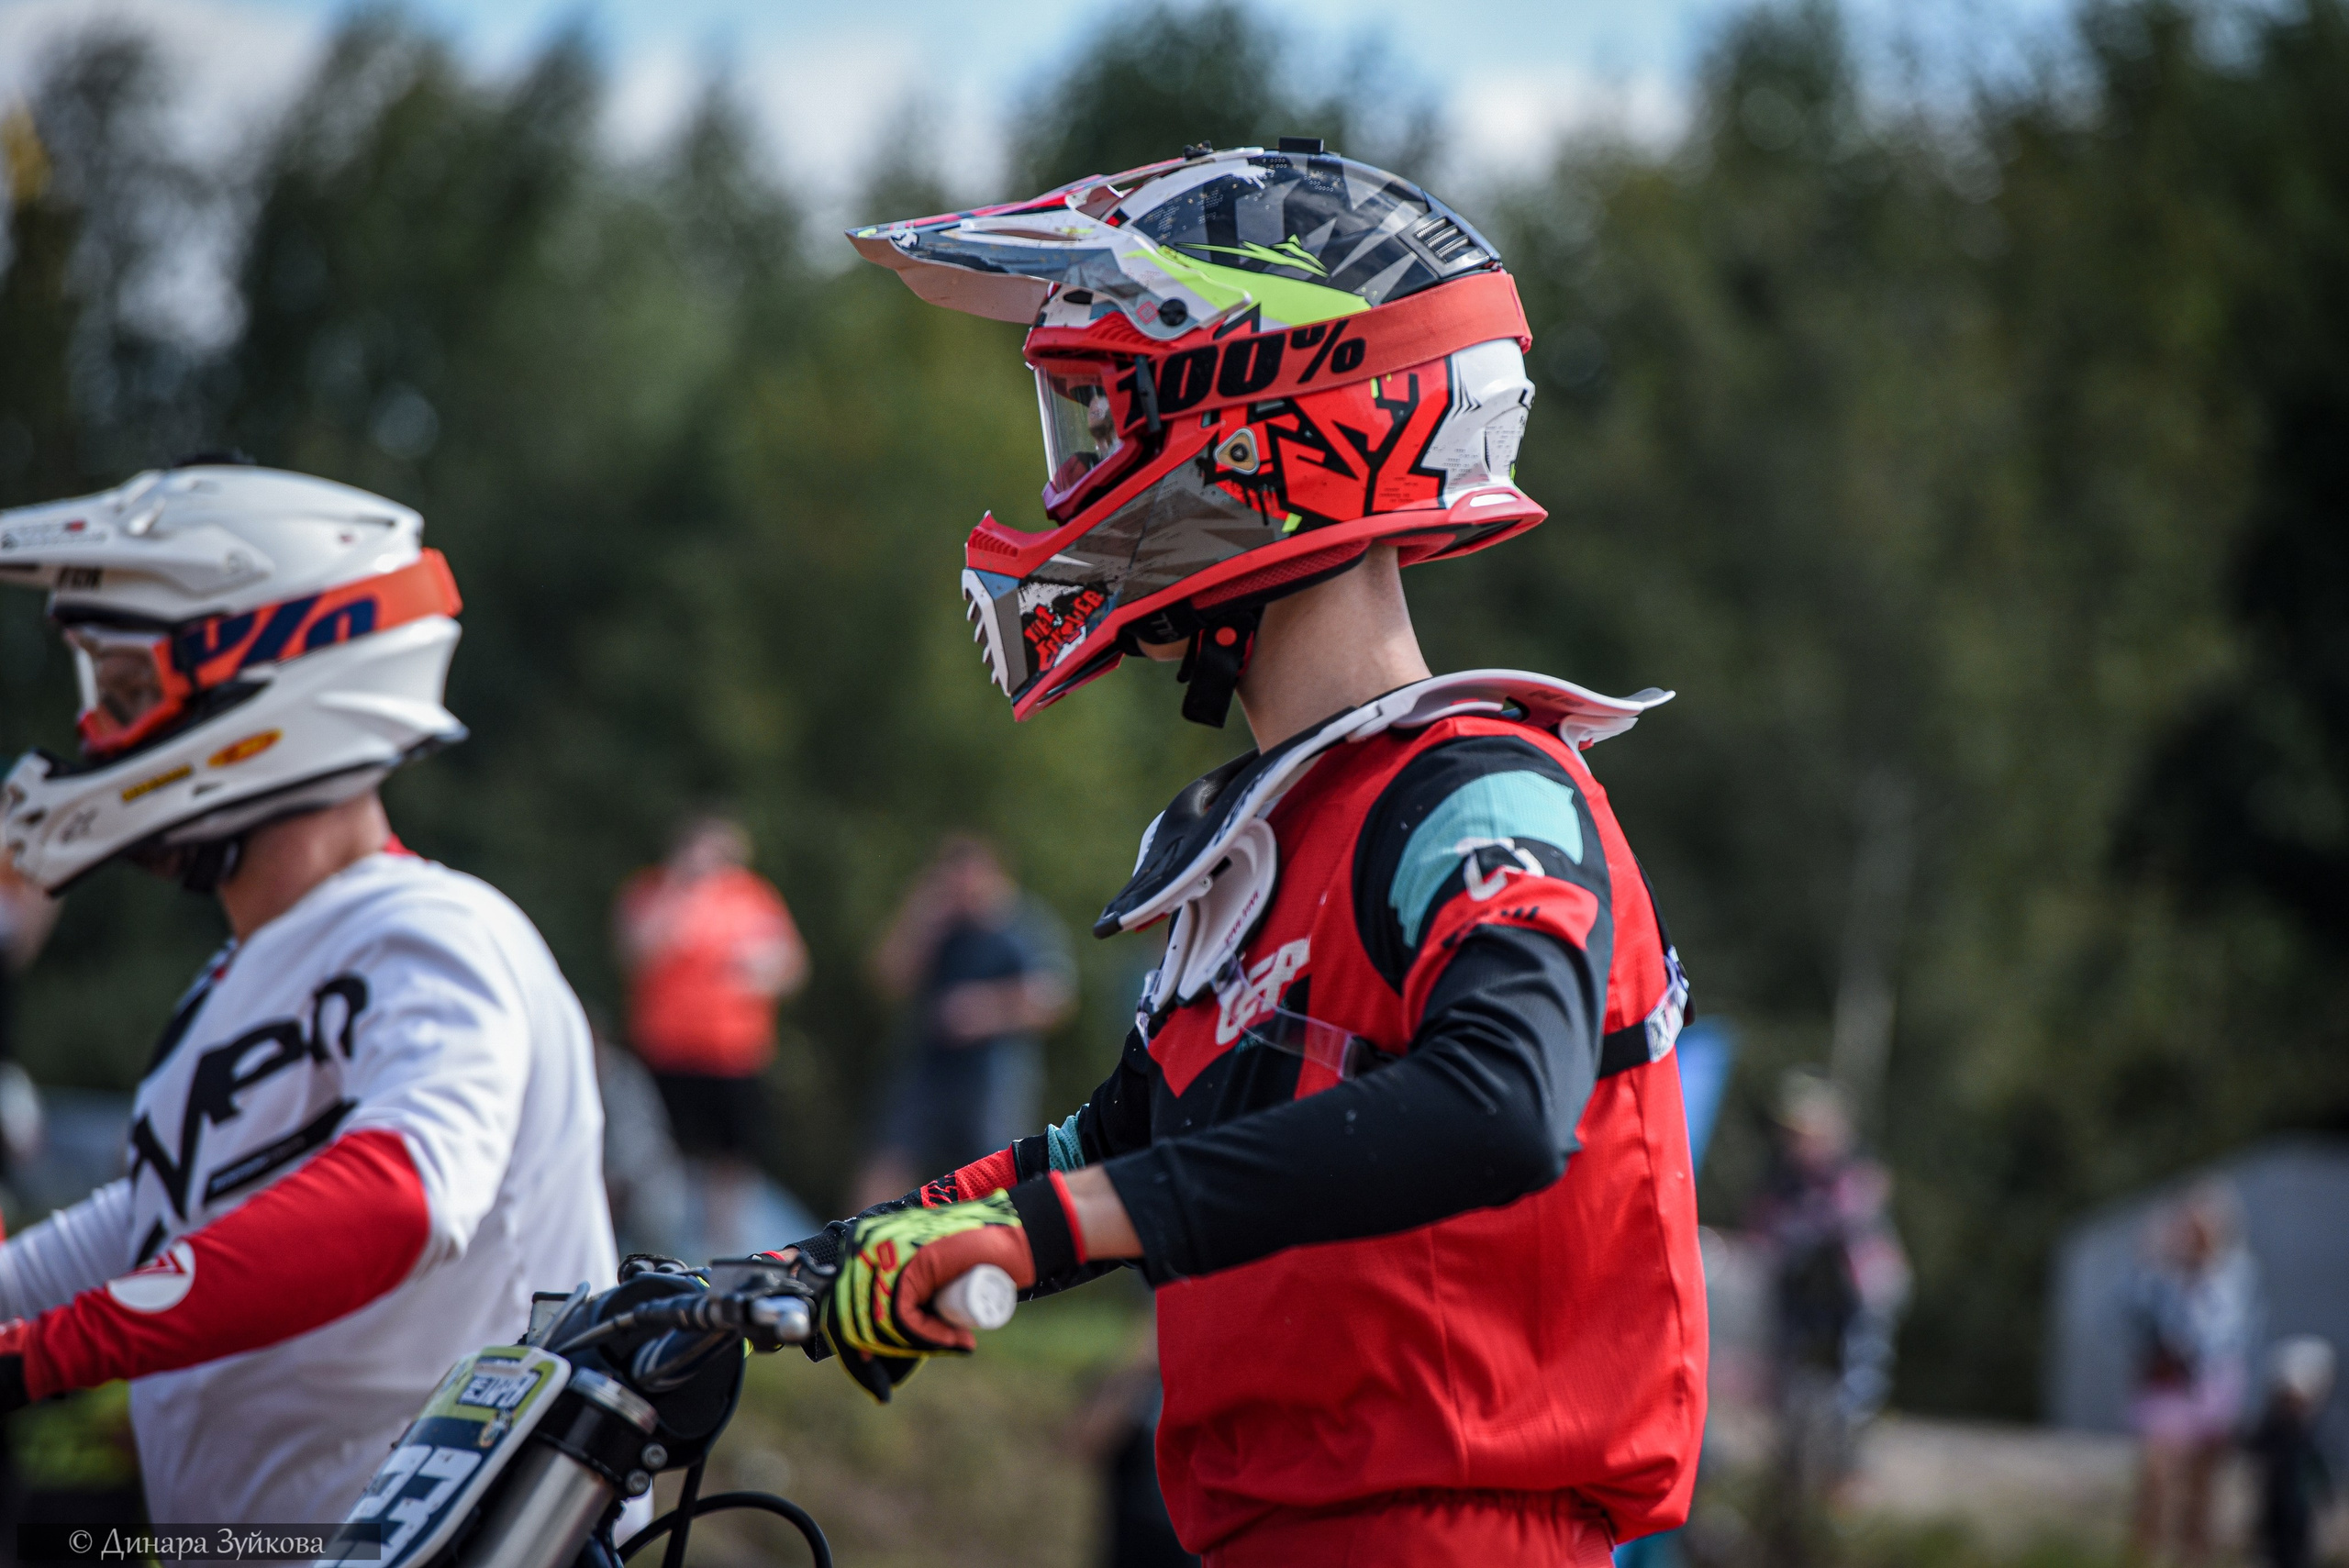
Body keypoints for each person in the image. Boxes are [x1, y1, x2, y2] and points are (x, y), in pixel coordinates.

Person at [775, 143, 1708, 1566]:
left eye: (1093, 423)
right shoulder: (1295, 831)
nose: (1069, 480)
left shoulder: (1482, 790)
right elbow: (1132, 1135)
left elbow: (1504, 1100)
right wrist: (823, 1258)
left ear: (1254, 435)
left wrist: (1052, 1232)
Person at [0, 460, 615, 1524]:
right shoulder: (249, 973)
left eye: (128, 689)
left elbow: (408, 1192)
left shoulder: (435, 930)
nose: (95, 732)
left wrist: (49, 1349)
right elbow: (154, 1220)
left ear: (274, 683)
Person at [616, 812, 807, 1256]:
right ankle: (645, 1248)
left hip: (734, 1054)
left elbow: (792, 966)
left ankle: (727, 1253)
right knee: (654, 1155)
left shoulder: (754, 898)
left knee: (732, 1162)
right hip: (665, 1051)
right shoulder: (654, 892)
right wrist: (681, 897)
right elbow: (636, 951)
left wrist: (766, 969)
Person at [855, 835, 1074, 1207]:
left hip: (994, 1075)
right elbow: (887, 979)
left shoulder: (1022, 928)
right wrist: (917, 918)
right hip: (930, 1068)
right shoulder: (939, 925)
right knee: (890, 1159)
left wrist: (986, 1010)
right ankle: (854, 1248)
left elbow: (1054, 1000)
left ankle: (994, 1253)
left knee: (994, 1172)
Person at [1747, 1071, 1909, 1503]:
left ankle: (1848, 1471)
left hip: (1859, 1288)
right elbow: (1764, 1236)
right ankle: (1790, 1472)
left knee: (1860, 1379)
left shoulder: (1855, 1168)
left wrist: (1799, 1229)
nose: (1797, 1141)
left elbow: (1849, 1216)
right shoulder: (1780, 1178)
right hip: (1803, 1292)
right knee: (1788, 1379)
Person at [2127, 1180, 2263, 1566]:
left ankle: (2194, 1558)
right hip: (2168, 1384)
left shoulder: (2234, 1273)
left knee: (2202, 1490)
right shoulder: (2161, 1275)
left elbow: (2228, 1332)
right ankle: (2145, 1556)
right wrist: (2149, 1259)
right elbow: (2132, 1315)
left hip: (2211, 1386)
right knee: (2156, 1480)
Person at [2249, 1336, 2335, 1568]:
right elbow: (2254, 1449)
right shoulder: (2273, 1427)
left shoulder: (2315, 1433)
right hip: (2274, 1506)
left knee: (2298, 1550)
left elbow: (2320, 1467)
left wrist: (2325, 1492)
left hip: (2300, 1511)